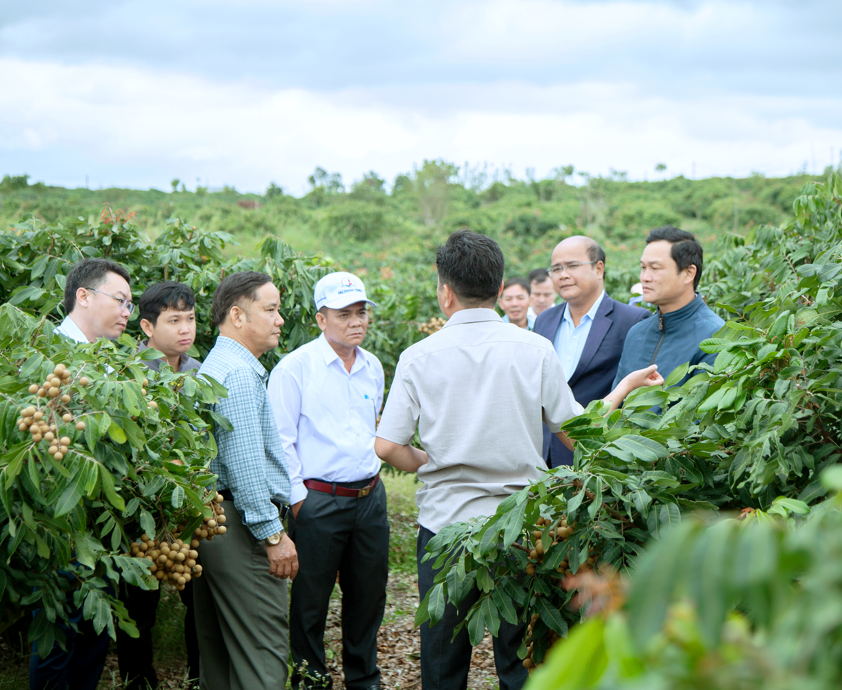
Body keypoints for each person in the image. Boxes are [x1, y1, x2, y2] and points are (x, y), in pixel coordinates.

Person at [373, 230, 662, 690]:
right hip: (520, 530)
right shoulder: (534, 348)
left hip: (445, 528)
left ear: (445, 292)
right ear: (500, 286)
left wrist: (429, 461)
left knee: (443, 661)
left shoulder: (417, 357)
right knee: (520, 661)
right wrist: (623, 392)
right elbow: (576, 432)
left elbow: (387, 447)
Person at [268, 271, 387, 690]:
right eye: (344, 314)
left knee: (368, 596)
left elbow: (372, 428)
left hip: (369, 496)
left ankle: (364, 678)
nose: (356, 322)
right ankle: (310, 680)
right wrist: (300, 501)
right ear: (321, 319)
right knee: (310, 601)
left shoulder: (372, 367)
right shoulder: (295, 369)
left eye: (361, 312)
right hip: (319, 500)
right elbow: (280, 441)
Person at [30, 258, 134, 690]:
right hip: (59, 521)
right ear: (84, 296)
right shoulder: (48, 356)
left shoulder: (106, 363)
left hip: (100, 523)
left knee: (93, 634)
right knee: (58, 636)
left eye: (130, 304)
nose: (127, 312)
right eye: (121, 301)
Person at [195, 272, 297, 690]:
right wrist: (272, 534)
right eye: (270, 310)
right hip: (239, 526)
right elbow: (245, 465)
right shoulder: (237, 374)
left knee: (220, 657)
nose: (279, 320)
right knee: (262, 662)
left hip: (215, 520)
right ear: (238, 316)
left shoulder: (218, 364)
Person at [115, 281, 203, 690]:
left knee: (199, 598)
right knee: (138, 603)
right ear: (147, 327)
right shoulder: (127, 372)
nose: (185, 329)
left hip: (188, 507)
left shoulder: (198, 372)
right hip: (141, 506)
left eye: (190, 319)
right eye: (174, 320)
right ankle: (137, 680)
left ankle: (200, 675)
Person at [534, 236, 649, 468]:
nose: (563, 275)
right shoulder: (544, 320)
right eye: (556, 269)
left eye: (572, 266)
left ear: (598, 269)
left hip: (600, 454)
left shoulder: (632, 320)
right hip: (545, 454)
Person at [614, 227, 726, 386]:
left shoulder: (715, 336)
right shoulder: (636, 333)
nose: (645, 277)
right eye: (643, 268)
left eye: (655, 268)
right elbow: (616, 400)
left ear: (688, 273)